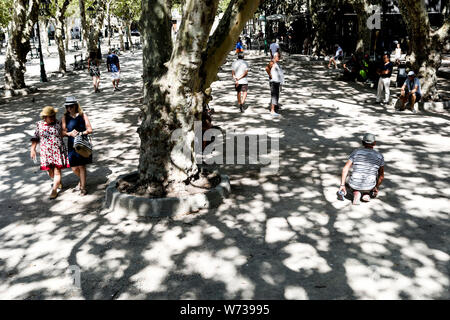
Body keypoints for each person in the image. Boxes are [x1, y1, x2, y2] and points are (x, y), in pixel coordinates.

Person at [30, 106, 70, 199]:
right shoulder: (39, 125)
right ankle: (58, 182)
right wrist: (33, 149)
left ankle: (54, 190)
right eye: (50, 116)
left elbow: (64, 133)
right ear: (45, 117)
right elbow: (35, 138)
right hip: (45, 153)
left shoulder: (58, 123)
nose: (53, 118)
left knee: (57, 171)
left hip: (58, 151)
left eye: (54, 115)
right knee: (50, 172)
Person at [339, 133, 385, 205]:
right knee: (375, 176)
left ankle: (356, 192)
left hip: (354, 184)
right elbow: (381, 176)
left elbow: (345, 168)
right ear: (374, 143)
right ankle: (366, 194)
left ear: (362, 142)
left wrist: (342, 185)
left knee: (348, 177)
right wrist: (376, 188)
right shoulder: (379, 156)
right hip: (370, 186)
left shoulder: (356, 152)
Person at [61, 97, 93, 196]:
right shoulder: (65, 117)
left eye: (71, 106)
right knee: (74, 168)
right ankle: (82, 180)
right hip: (71, 144)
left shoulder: (83, 115)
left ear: (75, 106)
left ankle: (83, 188)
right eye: (67, 107)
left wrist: (81, 133)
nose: (69, 108)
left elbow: (90, 129)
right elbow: (62, 132)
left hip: (82, 143)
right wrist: (69, 133)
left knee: (81, 166)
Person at [265, 52, 284, 117]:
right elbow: (267, 68)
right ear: (275, 56)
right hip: (273, 82)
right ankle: (272, 110)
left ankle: (275, 106)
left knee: (277, 94)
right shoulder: (272, 62)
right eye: (278, 56)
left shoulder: (276, 63)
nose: (279, 58)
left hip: (277, 81)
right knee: (274, 95)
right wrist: (270, 75)